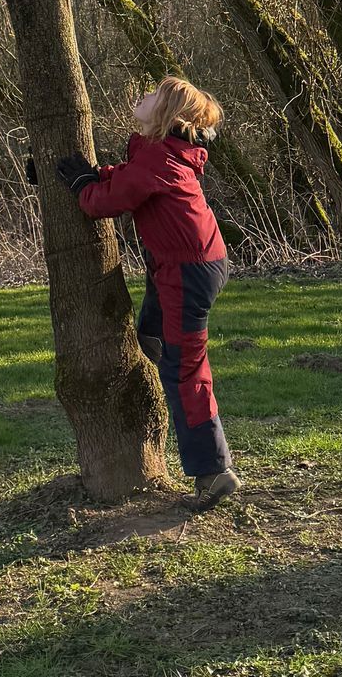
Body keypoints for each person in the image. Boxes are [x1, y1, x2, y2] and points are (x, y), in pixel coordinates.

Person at [56, 76, 242, 509]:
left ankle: (213, 471)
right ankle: (159, 371)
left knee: (184, 370)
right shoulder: (159, 155)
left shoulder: (160, 160)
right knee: (153, 341)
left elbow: (105, 202)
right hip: (181, 267)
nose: (142, 95)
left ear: (167, 114)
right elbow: (124, 178)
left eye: (153, 94)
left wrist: (82, 186)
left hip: (188, 273)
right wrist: (89, 174)